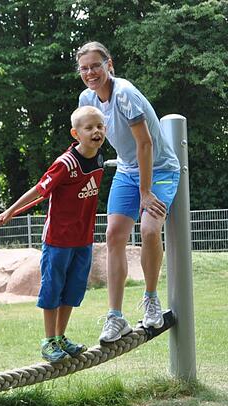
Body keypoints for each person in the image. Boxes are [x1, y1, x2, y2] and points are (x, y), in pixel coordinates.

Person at [75, 41, 180, 343]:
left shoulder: (125, 94)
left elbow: (144, 144)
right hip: (126, 169)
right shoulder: (87, 98)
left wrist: (145, 191)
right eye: (84, 68)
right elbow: (88, 137)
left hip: (159, 169)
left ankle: (151, 300)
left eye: (96, 65)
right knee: (113, 236)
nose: (90, 72)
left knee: (149, 229)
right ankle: (115, 316)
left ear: (109, 64)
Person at [0, 106, 106, 361]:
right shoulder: (66, 163)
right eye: (89, 128)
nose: (96, 132)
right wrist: (10, 211)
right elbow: (39, 189)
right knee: (53, 288)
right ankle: (48, 341)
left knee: (74, 287)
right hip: (59, 238)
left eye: (99, 126)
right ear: (75, 133)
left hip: (83, 237)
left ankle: (61, 337)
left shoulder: (100, 157)